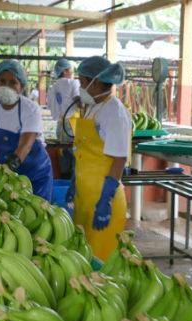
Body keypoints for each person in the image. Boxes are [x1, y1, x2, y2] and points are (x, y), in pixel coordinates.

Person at [67, 55, 131, 260]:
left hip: (103, 200)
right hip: (85, 195)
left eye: (81, 81)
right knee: (82, 255)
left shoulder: (115, 112)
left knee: (100, 261)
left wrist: (106, 200)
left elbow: (119, 159)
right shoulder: (94, 106)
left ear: (92, 82)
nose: (80, 86)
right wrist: (75, 181)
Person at [0, 59, 54, 201]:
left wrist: (5, 171)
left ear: (21, 86)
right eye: (2, 81)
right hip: (4, 172)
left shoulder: (30, 108)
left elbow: (26, 145)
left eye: (13, 82)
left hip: (34, 172)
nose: (6, 86)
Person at [47, 58, 79, 178]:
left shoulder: (52, 87)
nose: (72, 71)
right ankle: (74, 186)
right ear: (65, 71)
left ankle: (64, 181)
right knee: (76, 156)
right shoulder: (73, 83)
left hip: (60, 127)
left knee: (63, 155)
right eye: (71, 69)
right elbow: (77, 99)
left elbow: (51, 106)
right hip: (72, 126)